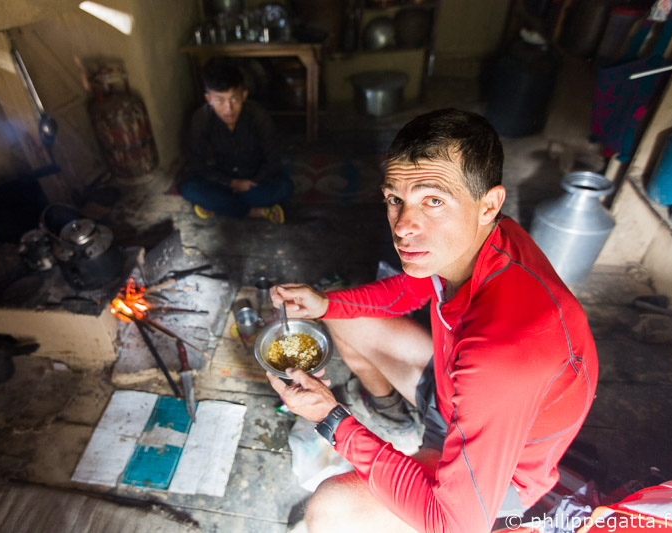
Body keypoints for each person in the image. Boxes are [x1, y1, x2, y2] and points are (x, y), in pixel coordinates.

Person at [267, 108, 599, 533]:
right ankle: (395, 418)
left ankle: (405, 453)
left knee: (331, 509)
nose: (404, 226)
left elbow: (454, 523)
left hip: (498, 473)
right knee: (345, 318)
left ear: (488, 203)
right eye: (395, 199)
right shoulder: (487, 238)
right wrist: (323, 304)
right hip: (454, 393)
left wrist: (331, 418)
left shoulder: (502, 354)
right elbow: (410, 289)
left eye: (434, 200)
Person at [179, 58, 293, 223]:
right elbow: (197, 164)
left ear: (244, 95)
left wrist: (252, 182)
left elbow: (273, 160)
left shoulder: (258, 115)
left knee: (285, 188)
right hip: (222, 181)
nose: (228, 109)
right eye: (219, 100)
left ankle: (218, 206)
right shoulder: (201, 119)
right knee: (189, 189)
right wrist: (231, 183)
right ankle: (257, 212)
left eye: (234, 99)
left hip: (253, 181)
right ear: (208, 98)